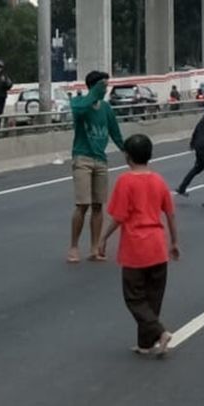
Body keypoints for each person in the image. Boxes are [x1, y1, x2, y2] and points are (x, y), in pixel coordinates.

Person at [97, 134, 181, 357]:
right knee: (153, 298)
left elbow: (119, 217)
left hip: (136, 248)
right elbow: (170, 214)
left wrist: (103, 238)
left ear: (128, 156)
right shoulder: (158, 180)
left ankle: (160, 332)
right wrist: (174, 242)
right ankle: (145, 344)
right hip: (157, 246)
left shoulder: (126, 181)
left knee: (134, 297)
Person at [67, 70, 126, 264]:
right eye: (103, 85)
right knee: (82, 204)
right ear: (93, 86)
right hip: (82, 157)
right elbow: (80, 110)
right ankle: (74, 246)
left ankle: (94, 247)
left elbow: (115, 133)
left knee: (98, 205)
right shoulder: (79, 103)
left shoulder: (107, 108)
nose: (106, 89)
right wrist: (93, 92)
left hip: (101, 159)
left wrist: (128, 152)